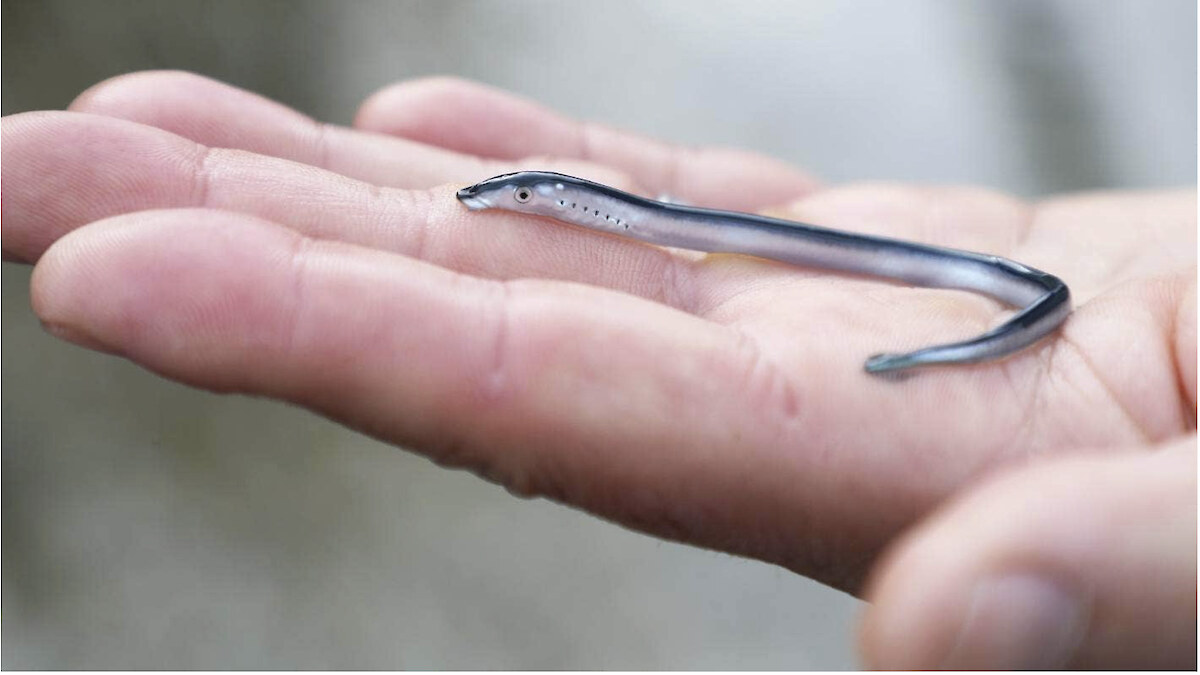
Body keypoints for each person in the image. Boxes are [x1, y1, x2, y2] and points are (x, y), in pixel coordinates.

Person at [2, 71, 1194, 669]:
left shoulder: (600, 206)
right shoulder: (601, 210)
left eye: (518, 197)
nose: (504, 205)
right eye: (513, 197)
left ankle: (982, 329)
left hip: (1001, 283)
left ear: (561, 201)